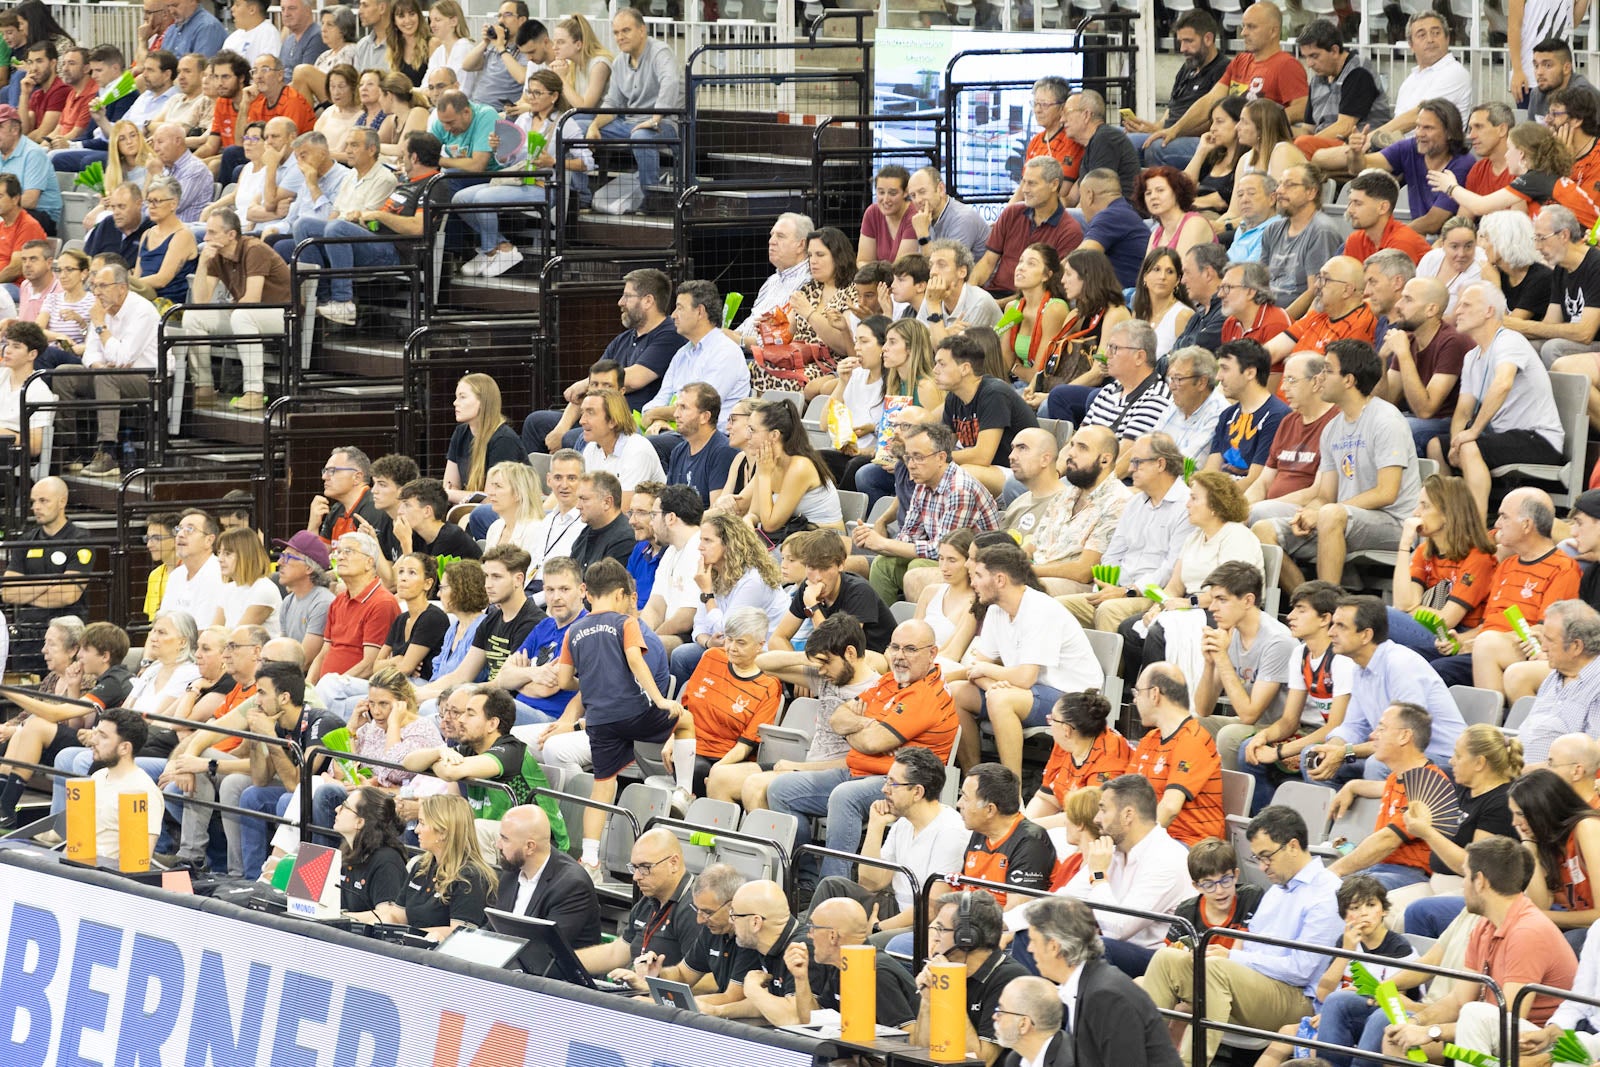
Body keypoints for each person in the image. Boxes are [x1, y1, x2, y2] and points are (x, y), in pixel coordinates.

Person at [765, 618, 957, 894]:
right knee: (781, 790)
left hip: (903, 785)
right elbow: (839, 717)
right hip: (857, 771)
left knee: (845, 796)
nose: (900, 656)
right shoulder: (893, 679)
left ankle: (833, 892)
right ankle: (807, 878)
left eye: (911, 649)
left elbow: (873, 741)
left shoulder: (925, 694)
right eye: (895, 647)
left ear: (932, 653)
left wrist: (861, 726)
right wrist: (861, 725)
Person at [1144, 804, 1343, 1067]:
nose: (1262, 867)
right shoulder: (1276, 889)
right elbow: (1248, 949)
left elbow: (1301, 970)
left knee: (1216, 969)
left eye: (1266, 856)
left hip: (1299, 1000)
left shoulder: (1327, 893)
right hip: (1258, 986)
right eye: (1258, 858)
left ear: (1293, 846)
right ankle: (1137, 1057)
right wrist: (1232, 958)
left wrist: (1233, 958)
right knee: (1167, 958)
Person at [1378, 837, 1578, 1065]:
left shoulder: (1528, 931)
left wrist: (1432, 1032)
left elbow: (1506, 1023)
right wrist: (1415, 1022)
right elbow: (1458, 1000)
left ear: (1480, 881)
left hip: (1530, 1046)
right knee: (1397, 1039)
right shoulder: (1484, 923)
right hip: (1485, 1032)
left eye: (1465, 876)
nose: (1463, 885)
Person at [1253, 340, 1420, 590]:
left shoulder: (1386, 420)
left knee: (1331, 513)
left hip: (1393, 522)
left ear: (1349, 380)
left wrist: (1322, 512)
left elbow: (1387, 493)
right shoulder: (1333, 428)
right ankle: (1307, 599)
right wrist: (1308, 512)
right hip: (1344, 517)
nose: (1320, 378)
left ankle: (1326, 604)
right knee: (1262, 528)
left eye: (1328, 370)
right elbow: (1325, 496)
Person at [952, 543, 1102, 776]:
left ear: (1000, 579)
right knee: (956, 691)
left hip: (1072, 696)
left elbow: (1024, 677)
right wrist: (991, 685)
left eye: (979, 576)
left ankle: (1011, 790)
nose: (972, 583)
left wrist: (988, 674)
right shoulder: (995, 610)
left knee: (1001, 699)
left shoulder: (1040, 609)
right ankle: (975, 777)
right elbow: (976, 667)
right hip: (1027, 691)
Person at [1436, 282, 1565, 519]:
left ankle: (1474, 525)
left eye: (1466, 304)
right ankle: (1448, 518)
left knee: (1470, 445)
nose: (1457, 311)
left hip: (1539, 438)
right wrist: (1455, 441)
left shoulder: (1509, 340)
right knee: (1437, 446)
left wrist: (1472, 432)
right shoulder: (1471, 356)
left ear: (1488, 311)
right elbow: (1463, 410)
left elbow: (1503, 383)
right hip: (1505, 438)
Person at [1304, 596, 1466, 784]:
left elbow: (1405, 738)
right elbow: (1354, 726)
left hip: (1442, 759)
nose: (1331, 632)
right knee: (1312, 757)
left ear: (1365, 635)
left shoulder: (1400, 664)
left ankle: (1384, 814)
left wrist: (1344, 752)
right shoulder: (1359, 668)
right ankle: (1336, 812)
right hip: (1392, 750)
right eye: (1333, 624)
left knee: (1378, 765)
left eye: (1341, 626)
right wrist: (1332, 749)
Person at [1138, 1, 1309, 168]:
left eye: (1251, 27)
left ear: (1273, 31)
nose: (1243, 33)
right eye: (1243, 26)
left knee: (1156, 149)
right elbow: (1211, 99)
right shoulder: (1240, 60)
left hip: (1246, 145)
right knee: (1136, 143)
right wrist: (1174, 130)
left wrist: (1262, 123)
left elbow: (1302, 108)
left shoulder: (1286, 65)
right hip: (1223, 141)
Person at [526, 270, 682, 452]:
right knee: (536, 422)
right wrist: (560, 428)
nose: (620, 302)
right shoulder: (622, 339)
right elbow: (590, 389)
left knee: (572, 437)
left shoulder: (669, 335)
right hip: (596, 414)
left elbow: (636, 378)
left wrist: (584, 383)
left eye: (627, 296)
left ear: (648, 301)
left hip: (625, 422)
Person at [1054, 773, 1194, 975]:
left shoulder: (1168, 858)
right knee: (1035, 933)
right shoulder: (1112, 850)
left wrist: (1099, 875)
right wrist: (1007, 925)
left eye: (1103, 810)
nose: (1096, 819)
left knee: (1096, 946)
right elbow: (1061, 899)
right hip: (1116, 950)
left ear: (1128, 815)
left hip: (1159, 963)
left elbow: (1117, 930)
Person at [1023, 898, 1184, 1067]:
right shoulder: (1088, 985)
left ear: (1054, 947)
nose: (1029, 948)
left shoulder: (1105, 996)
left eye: (1033, 941)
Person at [1323, 702, 1453, 891]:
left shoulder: (1428, 783)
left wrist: (1331, 872)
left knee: (1336, 892)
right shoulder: (1398, 777)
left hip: (1409, 875)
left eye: (1382, 728)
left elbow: (1387, 841)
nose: (1372, 735)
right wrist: (1353, 785)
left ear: (1404, 736)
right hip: (1381, 869)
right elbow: (1381, 787)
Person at [182, 207, 290, 412]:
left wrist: (233, 308)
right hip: (246, 315)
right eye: (206, 232)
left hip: (283, 314)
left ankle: (254, 392)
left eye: (212, 232)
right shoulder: (217, 255)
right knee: (193, 316)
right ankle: (204, 387)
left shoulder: (253, 249)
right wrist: (203, 264)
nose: (206, 237)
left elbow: (253, 298)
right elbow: (201, 300)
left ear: (231, 235)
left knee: (242, 314)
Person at [910, 890, 1029, 1065]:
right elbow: (919, 1052)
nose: (934, 936)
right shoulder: (943, 972)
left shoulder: (1010, 979)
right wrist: (928, 1002)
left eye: (941, 929)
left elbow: (981, 1061)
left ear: (967, 937)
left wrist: (949, 992)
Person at [1126, 662, 1225, 846]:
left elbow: (1170, 808)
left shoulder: (1192, 740)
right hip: (1160, 840)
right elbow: (1125, 795)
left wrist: (1132, 844)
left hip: (1192, 846)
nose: (1134, 700)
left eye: (1137, 693)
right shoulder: (1150, 739)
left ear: (1155, 694)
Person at [584, 8, 680, 194]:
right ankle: (582, 196)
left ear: (642, 30)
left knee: (641, 136)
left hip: (664, 124)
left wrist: (654, 119)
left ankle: (653, 197)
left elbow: (671, 82)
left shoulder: (660, 52)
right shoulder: (619, 61)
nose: (620, 37)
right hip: (629, 123)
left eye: (626, 30)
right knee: (576, 126)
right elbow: (612, 103)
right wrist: (594, 125)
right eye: (616, 32)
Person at [373, 793, 495, 939]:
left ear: (443, 832)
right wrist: (376, 926)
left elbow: (459, 933)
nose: (417, 830)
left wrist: (412, 935)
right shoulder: (421, 866)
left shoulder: (471, 877)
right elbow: (398, 916)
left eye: (422, 823)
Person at [1376, 276, 1474, 454]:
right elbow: (1386, 401)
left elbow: (1426, 410)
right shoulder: (1410, 339)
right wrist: (1382, 359)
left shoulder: (1452, 341)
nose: (1398, 305)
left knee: (1398, 429)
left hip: (1452, 423)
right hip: (1420, 419)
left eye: (1408, 299)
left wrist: (1404, 354)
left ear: (1431, 309)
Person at [492, 804, 601, 952]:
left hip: (554, 972)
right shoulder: (512, 870)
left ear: (530, 847)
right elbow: (493, 928)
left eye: (505, 839)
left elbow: (546, 949)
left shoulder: (572, 886)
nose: (497, 845)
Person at [1073, 319, 1175, 476]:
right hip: (1081, 473)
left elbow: (1124, 460)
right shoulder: (1109, 390)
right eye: (1108, 347)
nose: (1107, 355)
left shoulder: (1156, 397)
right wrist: (1057, 473)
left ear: (1139, 357)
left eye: (1114, 348)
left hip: (1109, 484)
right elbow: (1075, 443)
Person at [973, 156, 1083, 295]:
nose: (1024, 189)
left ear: (1054, 185)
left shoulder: (1070, 230)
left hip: (1032, 302)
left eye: (1032, 183)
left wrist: (1001, 305)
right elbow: (988, 262)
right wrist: (968, 295)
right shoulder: (1011, 213)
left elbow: (1051, 287)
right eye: (1023, 182)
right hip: (995, 295)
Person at [1243, 351, 1339, 509]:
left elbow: (1318, 491)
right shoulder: (1288, 421)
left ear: (1316, 382)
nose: (1283, 387)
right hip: (1267, 508)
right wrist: (1242, 507)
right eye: (1284, 379)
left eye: (1291, 380)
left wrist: (1262, 507)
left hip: (1304, 511)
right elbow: (1264, 482)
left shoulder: (1336, 422)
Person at [1515, 601, 1600, 766]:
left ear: (1576, 646)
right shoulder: (1554, 676)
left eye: (1550, 640)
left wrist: (1526, 774)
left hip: (1553, 785)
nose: (1543, 648)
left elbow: (1590, 760)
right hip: (1520, 775)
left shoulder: (1597, 686)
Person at [1291, 21, 1392, 157]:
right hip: (1326, 145)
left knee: (1300, 147)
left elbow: (1345, 127)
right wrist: (1280, 133)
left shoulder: (1359, 72)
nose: (1309, 64)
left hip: (1360, 147)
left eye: (1314, 56)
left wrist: (1307, 143)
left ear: (1334, 50)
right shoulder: (1317, 79)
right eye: (1306, 57)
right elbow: (1308, 129)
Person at [1204, 339, 1290, 492]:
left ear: (1250, 372)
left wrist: (1211, 499)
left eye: (1225, 369)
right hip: (1218, 496)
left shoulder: (1277, 416)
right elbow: (1210, 472)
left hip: (1242, 502)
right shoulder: (1227, 415)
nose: (1218, 377)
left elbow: (1254, 481)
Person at [1261, 162, 1344, 310]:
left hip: (1294, 320)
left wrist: (1282, 322)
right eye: (1279, 184)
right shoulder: (1272, 229)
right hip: (1268, 315)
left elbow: (1315, 292)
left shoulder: (1321, 231)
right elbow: (1262, 281)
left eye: (1289, 185)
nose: (1279, 190)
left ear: (1311, 192)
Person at [1076, 168, 1151, 291]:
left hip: (1129, 299)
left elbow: (1081, 259)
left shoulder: (1111, 215)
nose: (1081, 203)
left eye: (1081, 197)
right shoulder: (1122, 211)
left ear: (1090, 195)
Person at [1151, 349, 1228, 466]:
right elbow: (1149, 447)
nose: (1171, 386)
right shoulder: (1174, 407)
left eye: (1178, 379)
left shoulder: (1219, 414)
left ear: (1202, 382)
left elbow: (1187, 465)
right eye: (1170, 379)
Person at [665, 383, 738, 506]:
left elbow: (717, 514)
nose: (676, 414)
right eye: (677, 407)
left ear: (705, 417)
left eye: (683, 407)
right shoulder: (678, 451)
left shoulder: (723, 452)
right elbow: (668, 502)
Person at [906, 164, 989, 262]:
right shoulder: (925, 218)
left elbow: (944, 267)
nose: (918, 200)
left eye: (922, 192)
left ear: (941, 189)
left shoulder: (962, 218)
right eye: (913, 195)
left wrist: (923, 235)